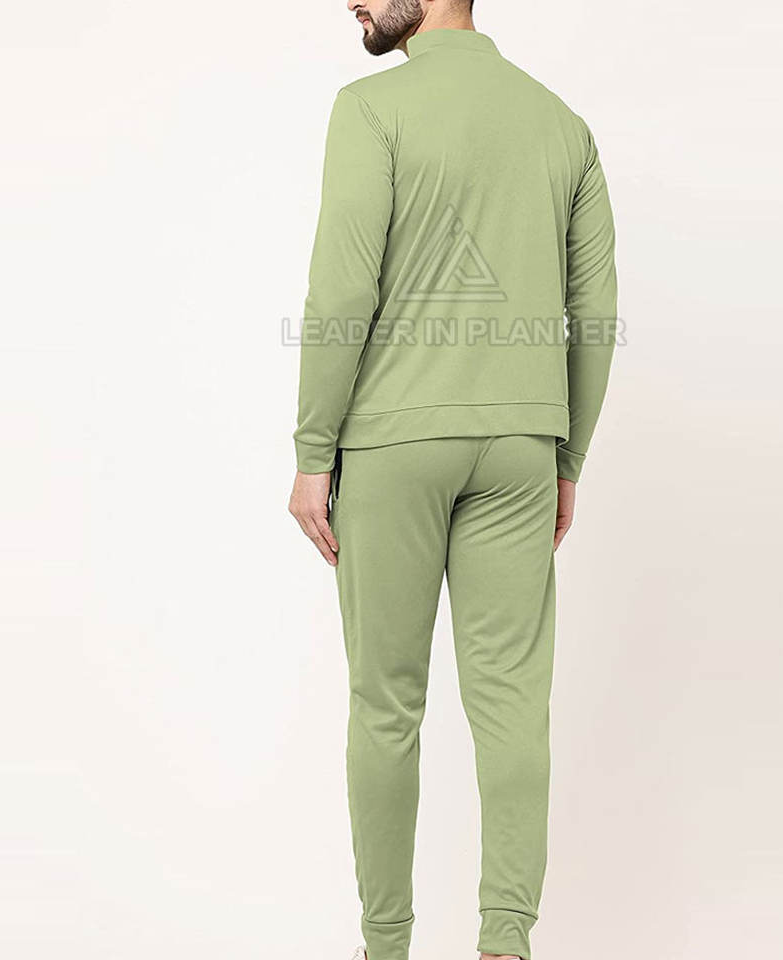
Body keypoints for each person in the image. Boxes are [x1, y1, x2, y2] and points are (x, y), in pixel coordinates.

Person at [288, 1, 617, 957]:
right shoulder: (562, 125)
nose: (350, 1)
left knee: (386, 703)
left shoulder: (371, 110)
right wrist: (565, 456)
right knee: (512, 703)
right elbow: (595, 310)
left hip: (393, 441)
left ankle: (386, 947)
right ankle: (505, 943)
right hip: (521, 446)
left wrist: (313, 450)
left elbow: (342, 287)